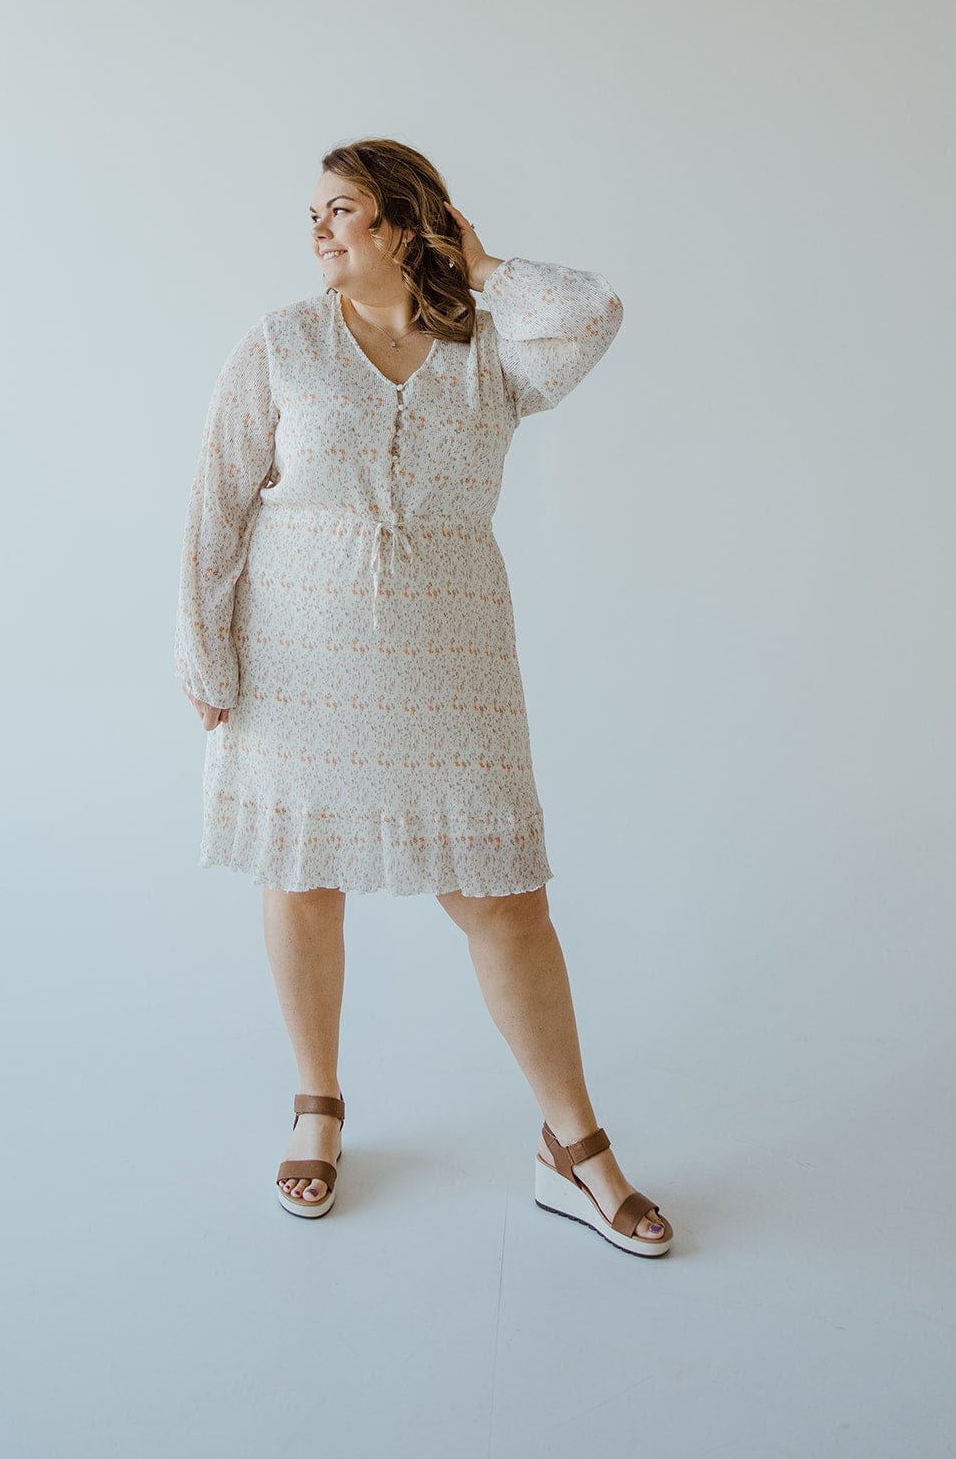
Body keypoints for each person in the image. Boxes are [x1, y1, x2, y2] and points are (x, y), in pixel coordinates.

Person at [173, 137, 673, 1255]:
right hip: (297, 653)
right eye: (311, 213)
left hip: (450, 659)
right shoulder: (282, 343)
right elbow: (216, 498)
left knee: (504, 899)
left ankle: (571, 1143)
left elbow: (592, 314)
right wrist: (205, 652)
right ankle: (318, 1103)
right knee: (303, 874)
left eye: (341, 210)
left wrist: (482, 266)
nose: (316, 231)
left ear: (403, 222)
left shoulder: (487, 350)